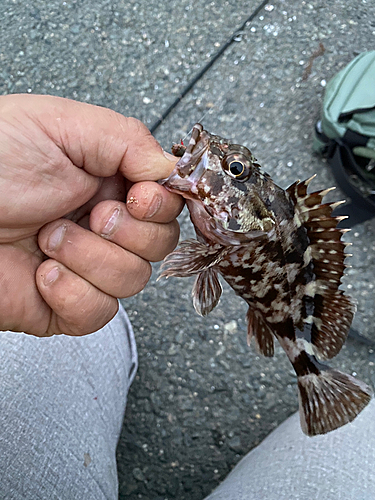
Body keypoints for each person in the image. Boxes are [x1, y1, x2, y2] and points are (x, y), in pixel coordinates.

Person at [0, 94, 374, 500]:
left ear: (260, 222)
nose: (212, 158)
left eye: (233, 170)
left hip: (278, 305)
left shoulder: (251, 237)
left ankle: (312, 377)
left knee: (90, 326)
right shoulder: (233, 229)